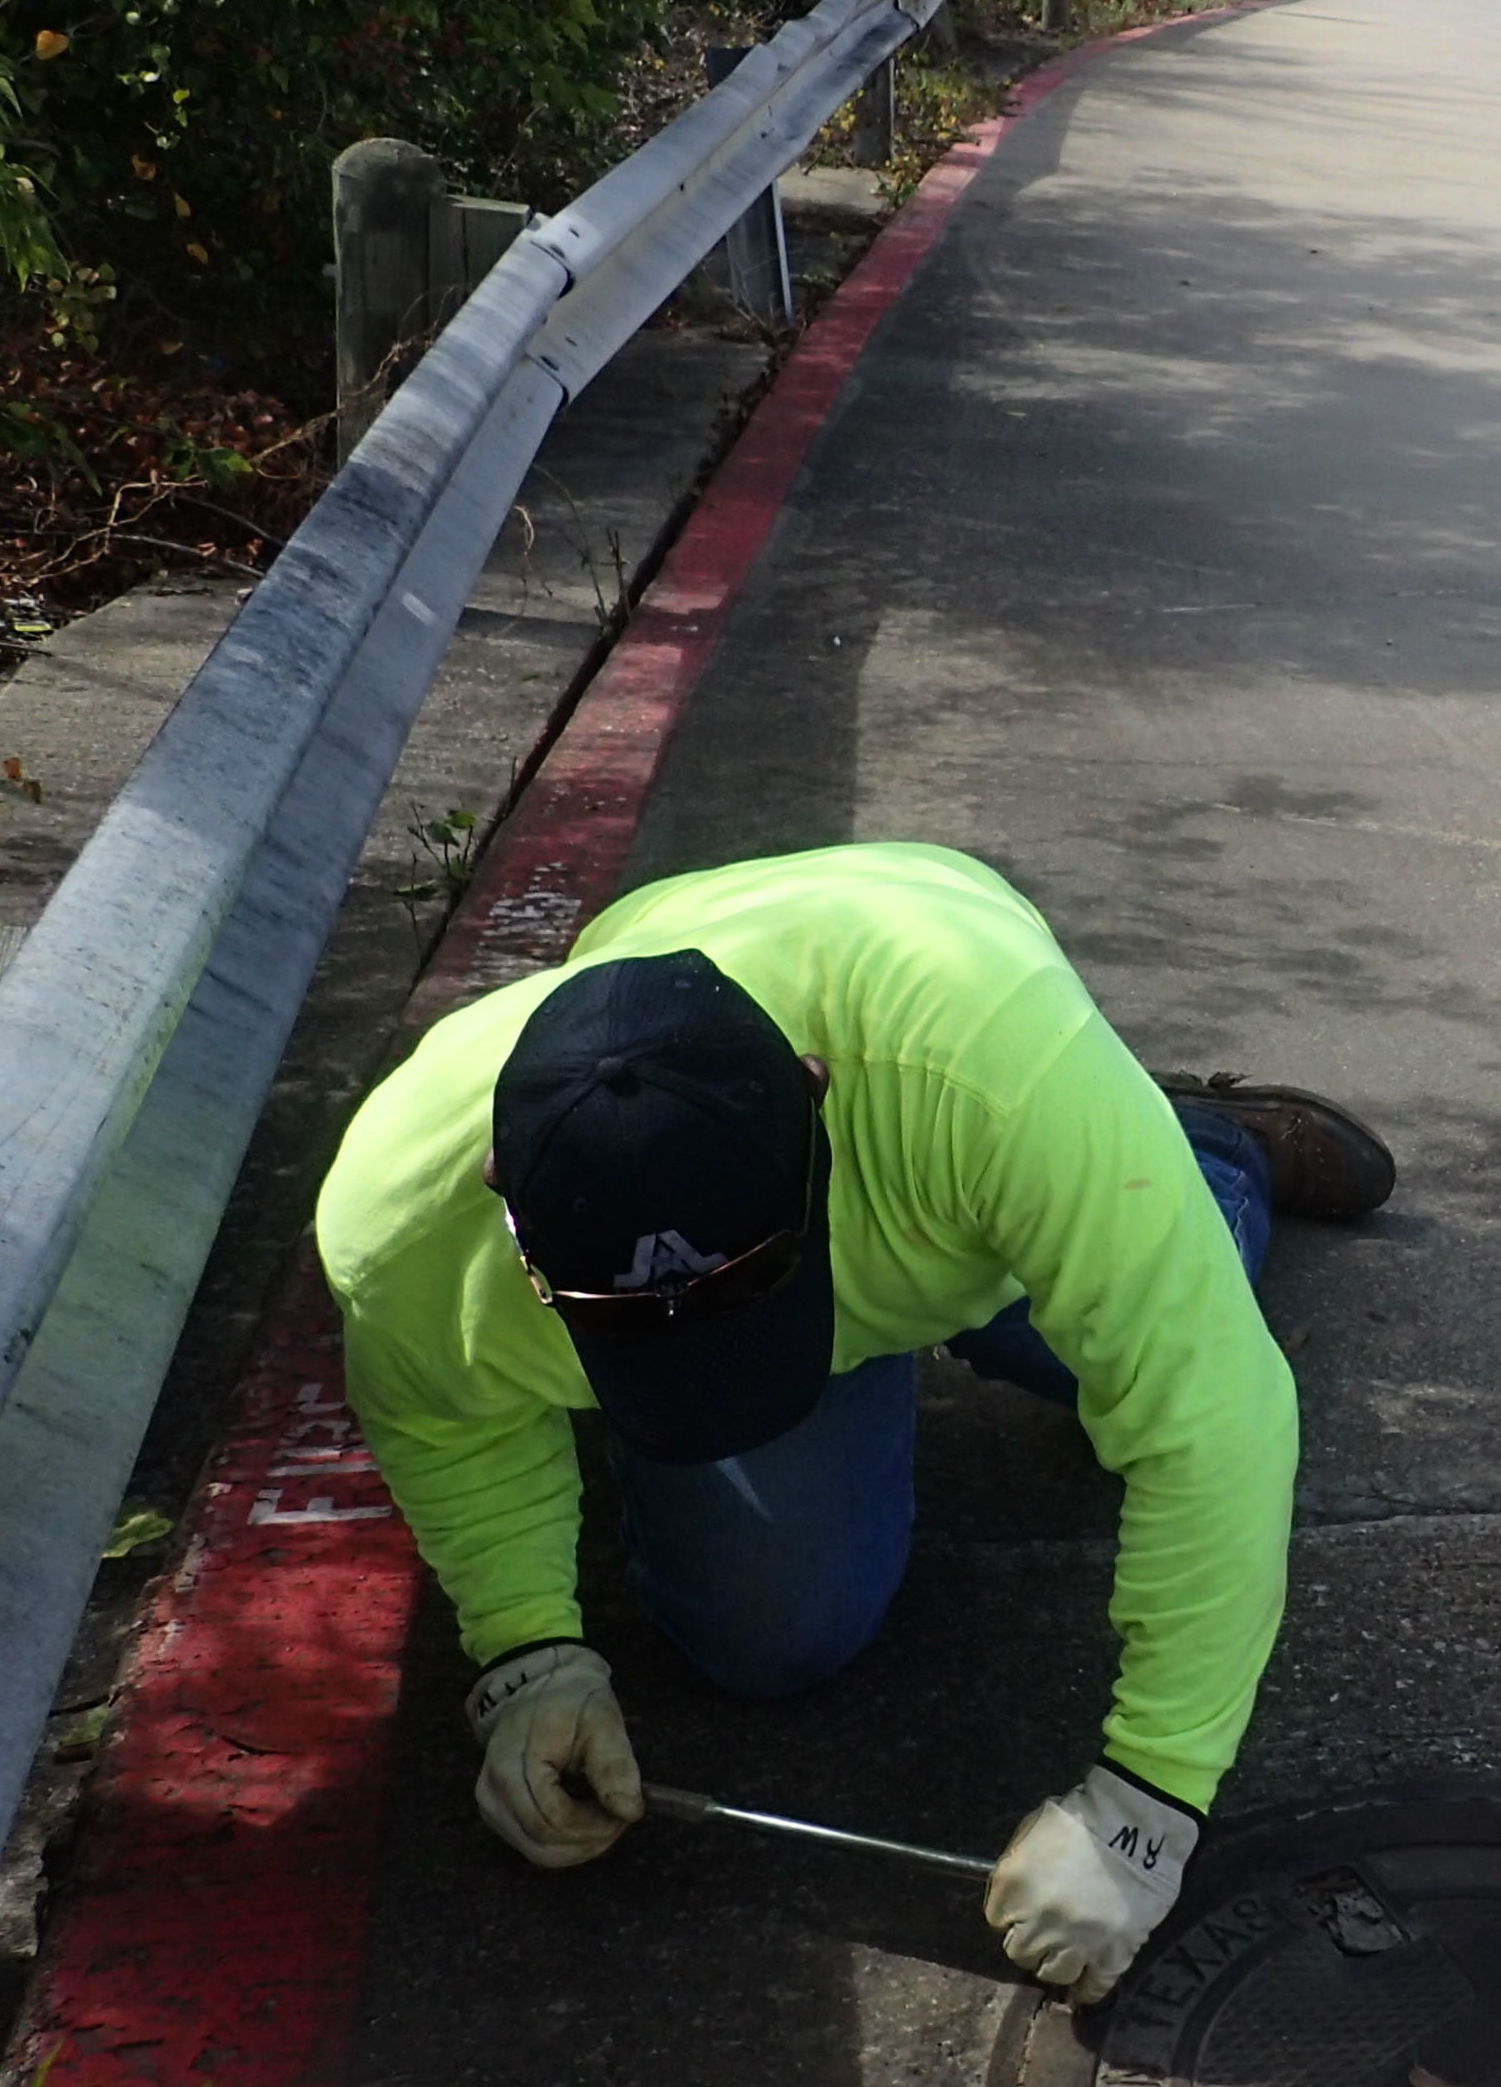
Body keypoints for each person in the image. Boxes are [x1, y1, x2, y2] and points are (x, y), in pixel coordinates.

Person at [314, 841, 1394, 2005]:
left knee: (1168, 1315)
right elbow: (447, 1416)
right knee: (772, 1636)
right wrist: (527, 1656)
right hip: (743, 1018)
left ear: (817, 1097)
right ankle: (848, 1294)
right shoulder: (395, 1214)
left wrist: (1151, 1799)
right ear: (499, 1192)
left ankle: (1206, 1153)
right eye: (638, 1322)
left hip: (961, 1146)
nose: (701, 1347)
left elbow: (1215, 1421)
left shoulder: (1002, 1073)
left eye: (743, 1294)